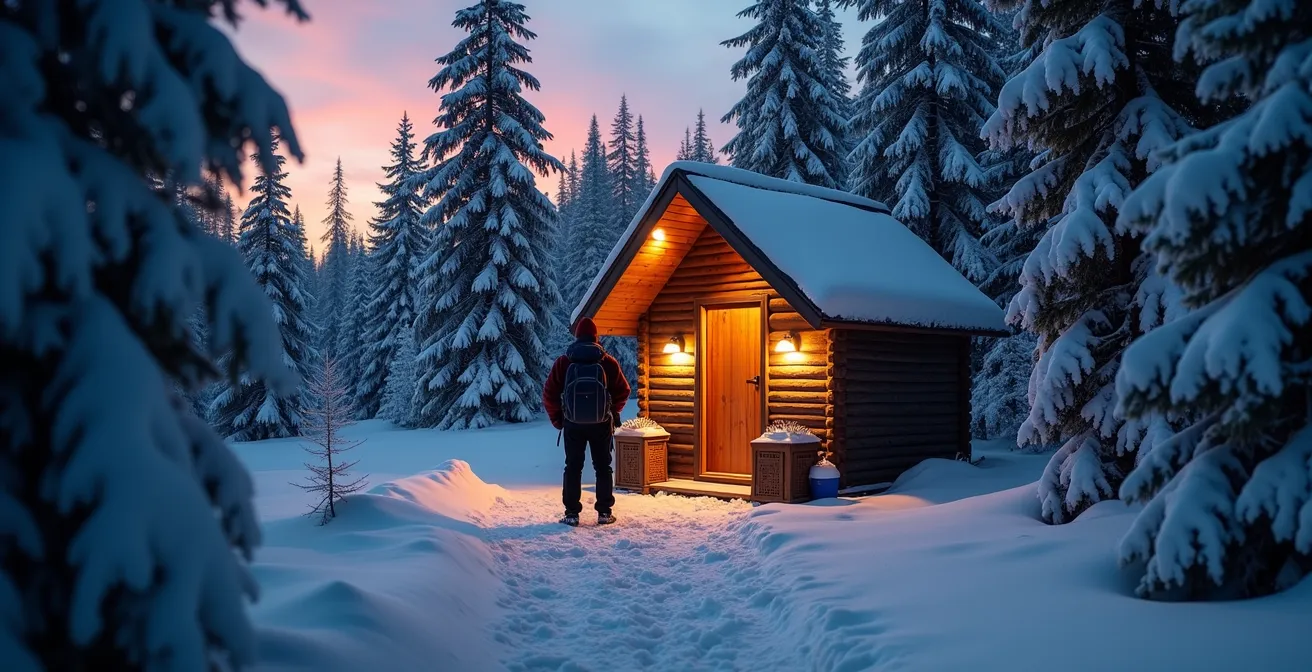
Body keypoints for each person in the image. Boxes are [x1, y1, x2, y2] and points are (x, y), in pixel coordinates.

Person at [542, 317, 631, 526]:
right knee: (603, 467)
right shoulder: (607, 361)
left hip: (573, 424)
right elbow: (624, 390)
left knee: (573, 467)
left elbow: (549, 394)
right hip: (601, 425)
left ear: (577, 336)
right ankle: (604, 512)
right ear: (595, 336)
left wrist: (559, 420)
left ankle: (572, 513)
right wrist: (610, 412)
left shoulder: (564, 362)